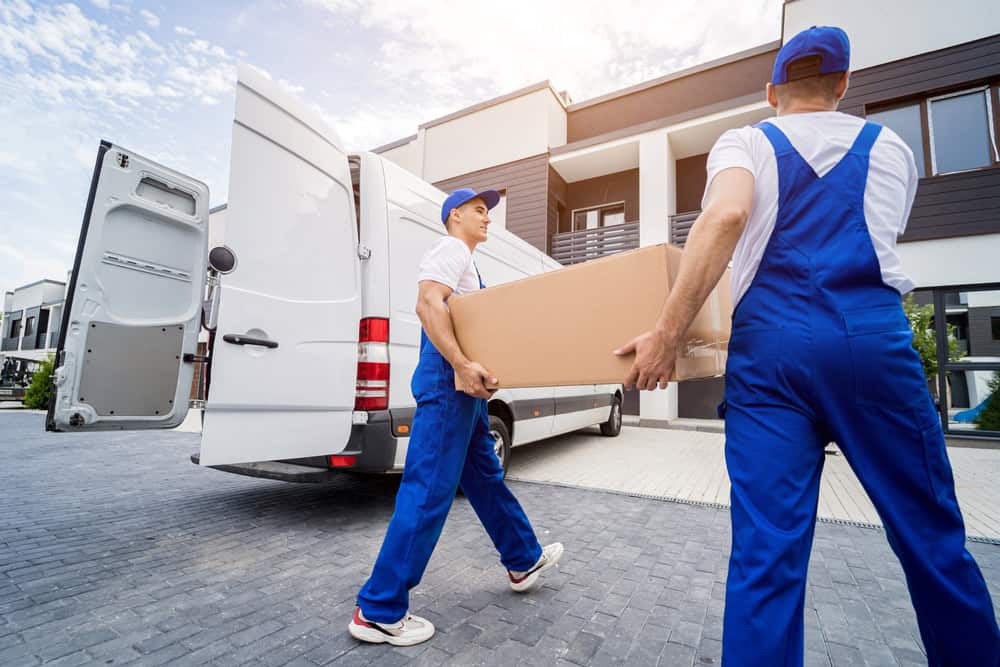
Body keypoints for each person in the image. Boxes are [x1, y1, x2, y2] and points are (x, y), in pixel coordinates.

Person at [616, 26, 1000, 667]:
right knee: (930, 535)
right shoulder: (893, 148)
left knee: (768, 552)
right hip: (873, 342)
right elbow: (879, 237)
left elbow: (726, 216)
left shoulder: (746, 141)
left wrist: (666, 334)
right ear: (845, 84)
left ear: (772, 91)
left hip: (771, 354)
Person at [349, 188, 564, 647]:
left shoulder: (466, 259)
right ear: (455, 216)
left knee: (485, 478)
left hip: (466, 393)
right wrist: (464, 367)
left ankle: (522, 560)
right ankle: (379, 609)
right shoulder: (451, 248)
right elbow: (429, 304)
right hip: (450, 388)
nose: (488, 219)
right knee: (427, 490)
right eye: (481, 211)